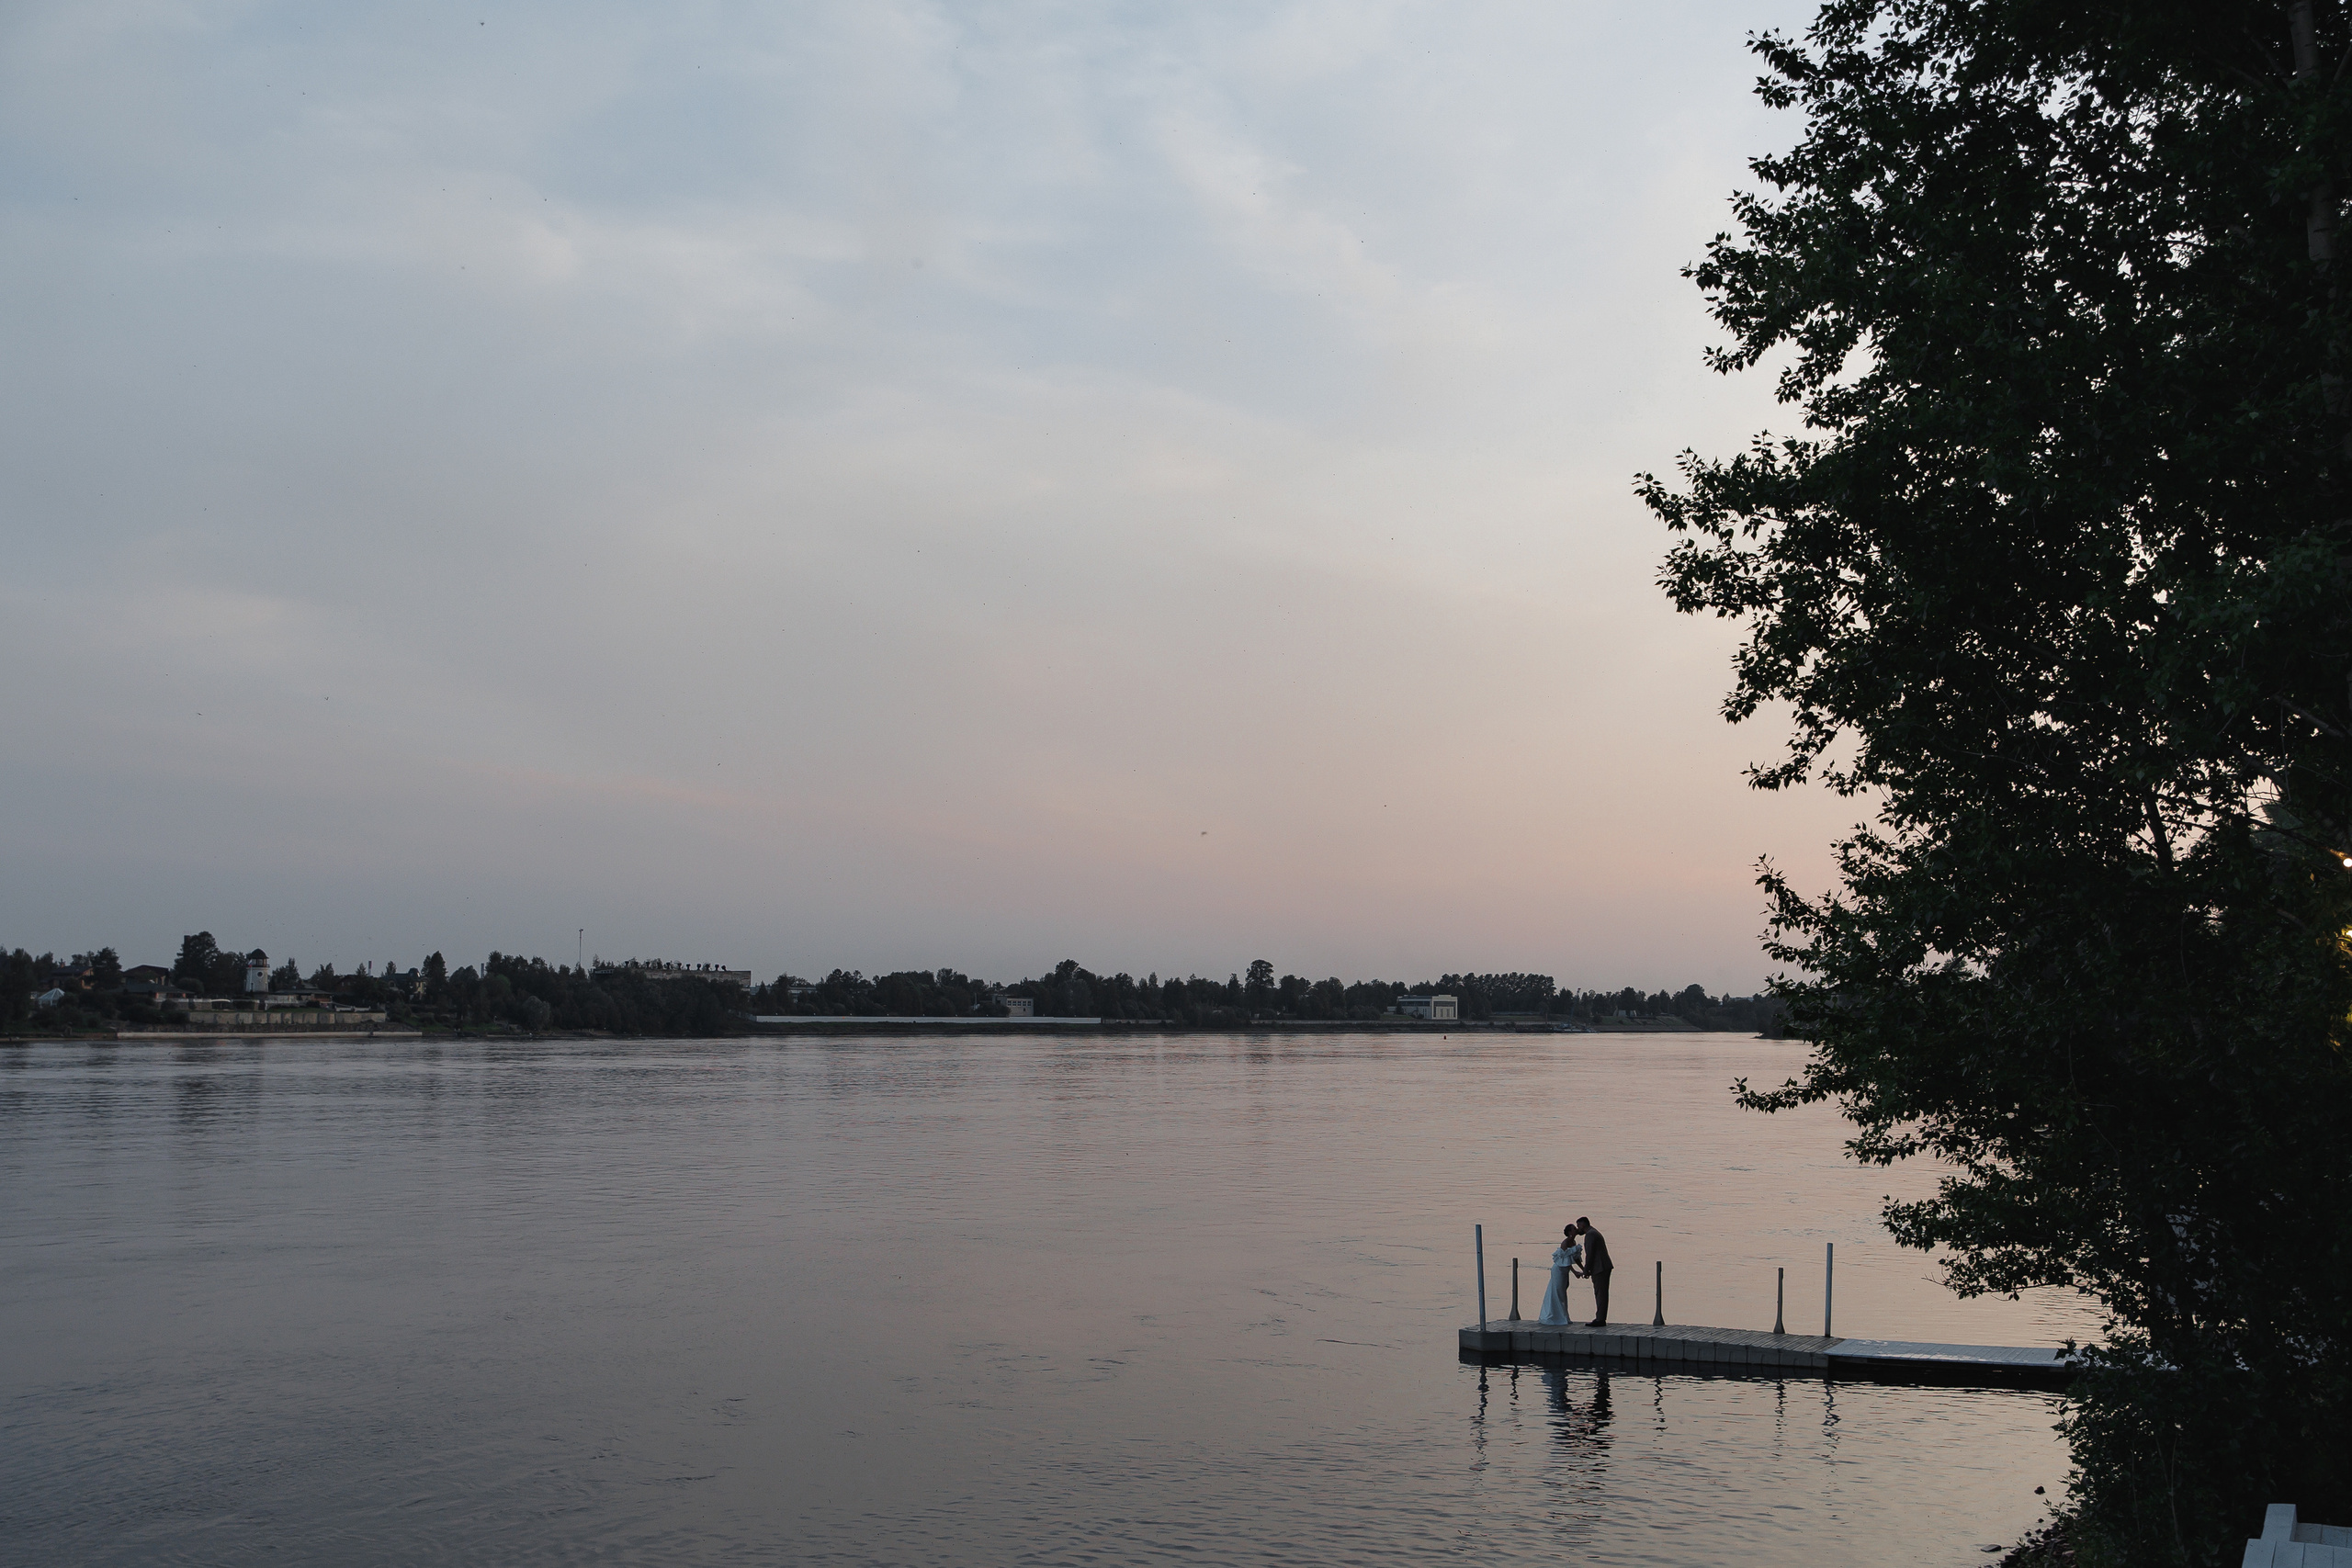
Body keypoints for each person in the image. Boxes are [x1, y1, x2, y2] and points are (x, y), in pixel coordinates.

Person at [1535, 1227, 1581, 1326]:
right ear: (1570, 1232)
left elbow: (1575, 1258)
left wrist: (1584, 1268)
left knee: (1563, 1292)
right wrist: (1574, 1272)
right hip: (1559, 1270)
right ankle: (1557, 1316)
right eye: (1574, 1228)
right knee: (1558, 1292)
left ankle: (1563, 1316)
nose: (1576, 1229)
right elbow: (1565, 1261)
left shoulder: (1573, 1242)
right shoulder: (1565, 1243)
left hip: (1565, 1271)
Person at [1575, 1216, 1613, 1326]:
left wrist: (1586, 1271)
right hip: (1602, 1266)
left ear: (1583, 1225)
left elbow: (1590, 1255)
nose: (1578, 1229)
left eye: (1578, 1226)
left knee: (1600, 1293)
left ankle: (1600, 1319)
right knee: (1602, 1293)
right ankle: (1600, 1317)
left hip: (1600, 1267)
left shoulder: (1590, 1235)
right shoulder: (1594, 1232)